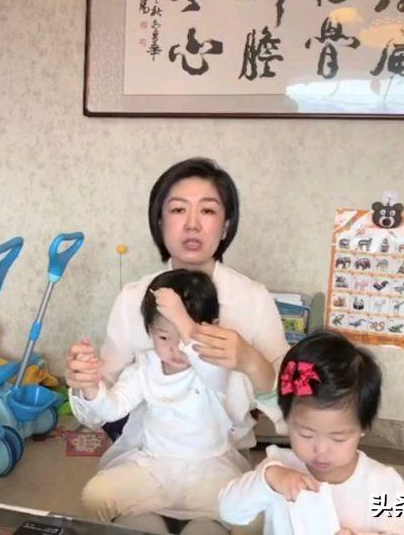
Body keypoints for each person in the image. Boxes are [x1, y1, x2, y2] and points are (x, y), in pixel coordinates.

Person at [66, 157, 289, 532]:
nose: (192, 224)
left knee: (255, 518)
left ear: (226, 224)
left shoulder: (251, 299)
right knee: (116, 510)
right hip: (147, 457)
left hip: (217, 462)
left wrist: (250, 360)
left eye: (208, 210)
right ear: (159, 221)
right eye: (178, 209)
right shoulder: (135, 296)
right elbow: (103, 405)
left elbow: (290, 405)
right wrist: (85, 381)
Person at [72, 269, 241, 533]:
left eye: (185, 336)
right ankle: (149, 518)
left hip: (209, 472)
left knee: (255, 515)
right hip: (154, 468)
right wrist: (91, 386)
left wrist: (182, 319)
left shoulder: (215, 364)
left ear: (214, 328)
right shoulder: (145, 366)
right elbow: (113, 408)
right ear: (150, 331)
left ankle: (200, 524)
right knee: (95, 496)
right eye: (164, 337)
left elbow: (213, 373)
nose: (175, 349)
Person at [218, 331, 404, 535]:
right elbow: (229, 511)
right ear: (287, 419)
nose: (320, 450)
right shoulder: (278, 466)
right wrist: (269, 480)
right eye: (306, 434)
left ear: (363, 427)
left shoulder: (385, 482)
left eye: (338, 438)